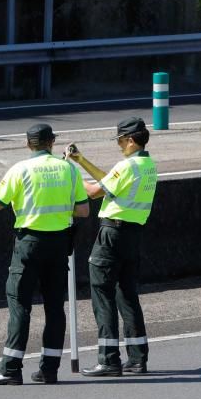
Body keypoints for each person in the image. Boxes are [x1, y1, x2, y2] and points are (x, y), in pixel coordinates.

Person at [0, 123, 89, 385]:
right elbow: (82, 211)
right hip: (59, 244)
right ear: (52, 142)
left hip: (29, 244)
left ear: (28, 144)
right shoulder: (68, 168)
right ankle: (49, 369)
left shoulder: (20, 170)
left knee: (20, 305)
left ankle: (11, 369)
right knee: (55, 308)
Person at [66, 117, 157, 376]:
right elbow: (109, 183)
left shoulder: (127, 166)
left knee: (102, 294)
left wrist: (71, 174)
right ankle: (138, 358)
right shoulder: (147, 165)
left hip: (112, 233)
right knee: (127, 295)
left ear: (130, 140)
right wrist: (81, 161)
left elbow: (95, 191)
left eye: (119, 140)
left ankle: (108, 359)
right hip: (132, 235)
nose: (118, 145)